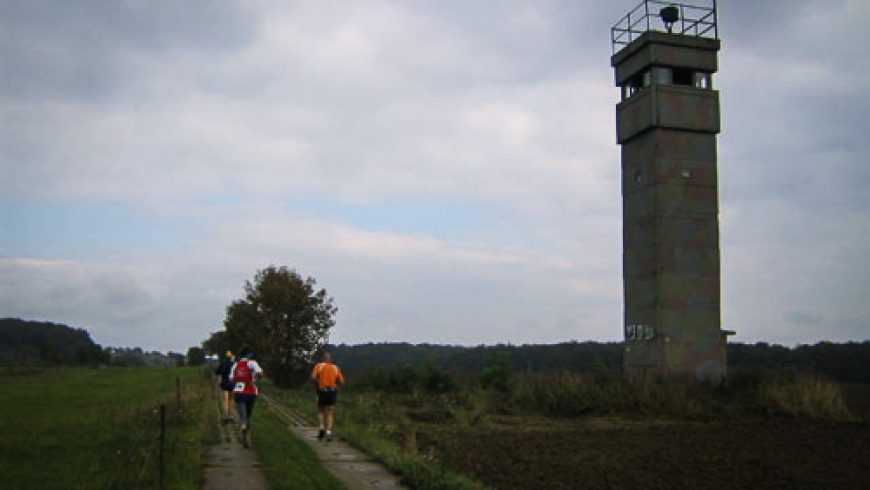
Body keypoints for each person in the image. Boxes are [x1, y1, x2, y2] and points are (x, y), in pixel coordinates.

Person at [230, 347, 264, 448]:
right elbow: (260, 373)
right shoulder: (252, 363)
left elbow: (231, 379)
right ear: (249, 355)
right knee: (249, 415)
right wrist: (256, 377)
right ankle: (248, 438)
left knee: (242, 416)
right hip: (251, 392)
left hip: (239, 393)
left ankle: (243, 427)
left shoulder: (235, 365)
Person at [310, 352, 345, 441]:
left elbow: (313, 377)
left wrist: (318, 382)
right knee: (330, 412)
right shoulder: (335, 368)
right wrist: (335, 384)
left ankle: (321, 428)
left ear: (323, 359)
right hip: (332, 391)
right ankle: (328, 432)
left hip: (322, 390)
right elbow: (341, 381)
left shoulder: (319, 366)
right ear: (330, 359)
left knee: (320, 410)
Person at [214, 351, 235, 423]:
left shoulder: (222, 364)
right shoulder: (233, 364)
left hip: (224, 383)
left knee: (225, 399)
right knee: (231, 399)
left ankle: (226, 416)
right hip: (232, 384)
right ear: (231, 357)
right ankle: (231, 416)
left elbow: (216, 372)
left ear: (225, 357)